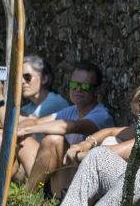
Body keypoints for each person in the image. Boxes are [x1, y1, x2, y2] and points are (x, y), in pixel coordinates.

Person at [0, 54, 70, 186]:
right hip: (31, 163)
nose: (21, 81)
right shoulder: (29, 107)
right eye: (19, 77)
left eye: (27, 77)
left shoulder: (54, 102)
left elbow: (14, 127)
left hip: (48, 171)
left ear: (44, 79)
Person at [21, 61, 113, 189]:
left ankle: (28, 195)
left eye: (84, 86)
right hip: (59, 175)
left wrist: (26, 129)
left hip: (81, 182)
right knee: (17, 139)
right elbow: (37, 122)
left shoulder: (102, 116)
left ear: (96, 90)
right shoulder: (70, 111)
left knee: (54, 139)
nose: (78, 89)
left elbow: (71, 126)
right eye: (74, 84)